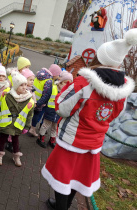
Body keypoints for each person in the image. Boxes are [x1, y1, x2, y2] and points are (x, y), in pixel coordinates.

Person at [42, 29, 136, 210]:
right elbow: (114, 115)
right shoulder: (123, 90)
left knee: (61, 178)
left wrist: (64, 90)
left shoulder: (82, 83)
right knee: (76, 178)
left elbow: (61, 108)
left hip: (71, 140)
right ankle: (66, 206)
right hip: (93, 143)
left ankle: (60, 207)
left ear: (99, 58)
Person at [0, 72, 34, 167]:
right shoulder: (8, 95)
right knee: (3, 138)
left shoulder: (29, 99)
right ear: (16, 86)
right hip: (6, 122)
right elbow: (0, 107)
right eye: (21, 85)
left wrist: (27, 126)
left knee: (15, 140)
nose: (24, 87)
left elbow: (29, 114)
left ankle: (16, 156)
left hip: (18, 124)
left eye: (25, 85)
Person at [38, 71, 73, 148]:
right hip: (50, 112)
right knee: (45, 125)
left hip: (58, 114)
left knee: (55, 127)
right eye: (65, 83)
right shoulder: (53, 88)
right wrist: (38, 104)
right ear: (60, 82)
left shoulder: (67, 92)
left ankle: (52, 140)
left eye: (69, 84)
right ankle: (41, 138)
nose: (67, 85)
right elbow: (45, 97)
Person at [32, 65, 62, 141]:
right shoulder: (49, 81)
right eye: (58, 74)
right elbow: (46, 95)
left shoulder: (40, 75)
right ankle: (34, 129)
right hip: (41, 102)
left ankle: (33, 127)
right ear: (54, 74)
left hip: (34, 99)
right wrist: (40, 103)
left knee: (35, 115)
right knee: (39, 116)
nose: (58, 76)